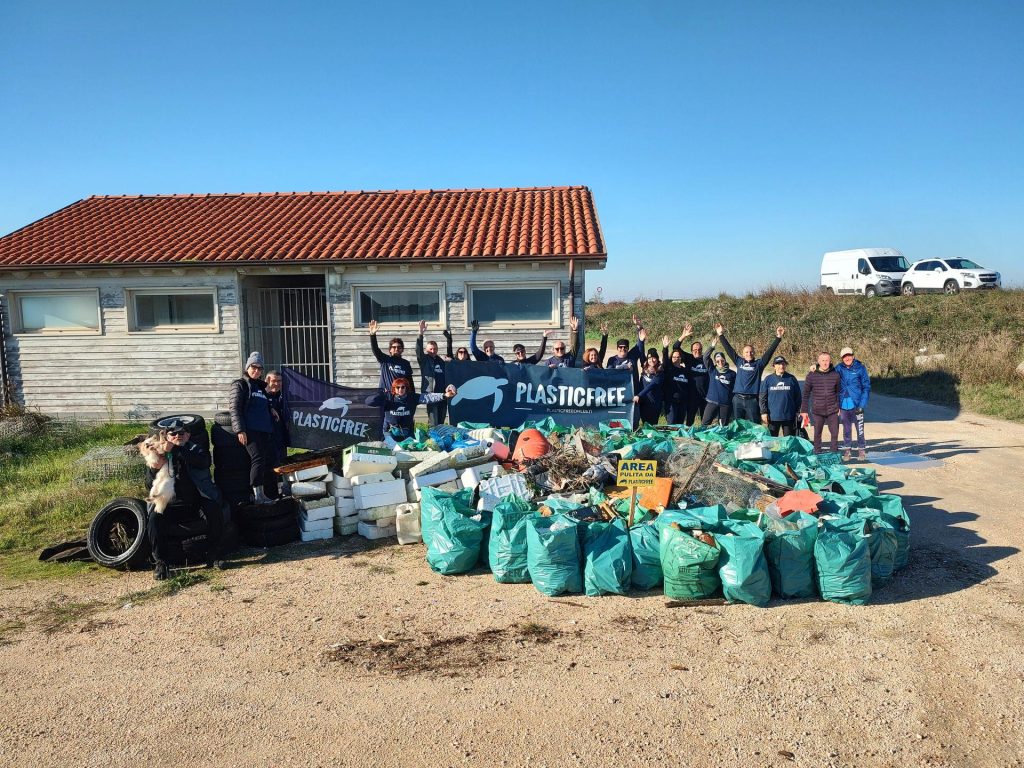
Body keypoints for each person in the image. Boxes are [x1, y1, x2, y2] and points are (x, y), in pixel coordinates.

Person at [146, 418, 225, 580]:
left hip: (195, 501)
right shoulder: (158, 454)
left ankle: (214, 555)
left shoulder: (195, 448)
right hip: (168, 503)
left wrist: (176, 449)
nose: (177, 436)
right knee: (154, 519)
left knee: (214, 510)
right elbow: (148, 484)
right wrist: (156, 466)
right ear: (166, 437)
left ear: (188, 435)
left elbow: (203, 462)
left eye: (181, 433)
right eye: (173, 434)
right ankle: (161, 562)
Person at [229, 352, 278, 504]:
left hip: (265, 430)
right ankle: (258, 496)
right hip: (250, 430)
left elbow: (263, 402)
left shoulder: (261, 387)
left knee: (264, 461)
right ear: (247, 367)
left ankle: (263, 494)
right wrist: (240, 430)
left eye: (259, 368)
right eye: (253, 367)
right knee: (257, 459)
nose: (256, 371)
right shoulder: (240, 384)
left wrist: (271, 409)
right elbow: (234, 408)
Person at [715, 323, 785, 424]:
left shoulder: (759, 364)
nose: (749, 354)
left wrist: (778, 337)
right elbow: (728, 349)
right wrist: (720, 334)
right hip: (737, 399)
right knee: (738, 426)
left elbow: (769, 353)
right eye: (746, 352)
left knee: (754, 426)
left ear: (754, 353)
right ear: (743, 354)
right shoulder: (739, 361)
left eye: (751, 352)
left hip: (752, 400)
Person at [365, 378, 457, 440]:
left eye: (403, 387)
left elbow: (428, 397)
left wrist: (444, 395)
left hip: (407, 432)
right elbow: (369, 402)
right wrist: (381, 394)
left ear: (406, 388)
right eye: (397, 387)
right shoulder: (388, 397)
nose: (400, 389)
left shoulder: (412, 397)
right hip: (390, 432)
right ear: (394, 388)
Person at [801, 352, 842, 454]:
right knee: (817, 434)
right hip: (817, 410)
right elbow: (806, 394)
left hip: (833, 410)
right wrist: (804, 410)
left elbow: (839, 392)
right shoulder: (811, 375)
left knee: (835, 433)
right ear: (818, 361)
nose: (825, 363)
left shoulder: (836, 375)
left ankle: (833, 454)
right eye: (822, 360)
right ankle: (817, 453)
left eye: (827, 360)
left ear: (830, 361)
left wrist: (839, 407)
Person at [837, 346, 871, 461]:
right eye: (844, 356)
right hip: (843, 404)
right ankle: (847, 451)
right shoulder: (839, 368)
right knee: (846, 429)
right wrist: (816, 367)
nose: (847, 358)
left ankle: (861, 450)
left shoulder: (860, 368)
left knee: (860, 429)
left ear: (853, 356)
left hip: (857, 404)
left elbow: (866, 387)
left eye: (849, 356)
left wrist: (862, 405)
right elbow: (828, 372)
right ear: (842, 358)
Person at [416, 321, 451, 427]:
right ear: (426, 350)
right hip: (431, 395)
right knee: (433, 422)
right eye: (430, 349)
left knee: (441, 422)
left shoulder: (441, 361)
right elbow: (418, 350)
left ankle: (440, 436)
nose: (433, 351)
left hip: (443, 394)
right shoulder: (424, 360)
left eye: (435, 349)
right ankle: (432, 437)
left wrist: (450, 361)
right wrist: (420, 333)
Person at [758, 356, 802, 436]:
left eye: (783, 364)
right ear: (774, 366)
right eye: (778, 364)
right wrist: (763, 412)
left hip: (789, 416)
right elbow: (762, 398)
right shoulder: (768, 379)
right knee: (772, 440)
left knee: (789, 440)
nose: (781, 366)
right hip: (773, 416)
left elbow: (798, 397)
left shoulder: (791, 378)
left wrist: (798, 411)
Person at [678, 324, 711, 422]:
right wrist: (683, 336)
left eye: (700, 349)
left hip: (705, 395)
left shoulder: (706, 359)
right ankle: (689, 431)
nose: (697, 351)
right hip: (691, 395)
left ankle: (703, 432)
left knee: (705, 421)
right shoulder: (688, 358)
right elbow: (676, 347)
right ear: (691, 351)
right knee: (690, 420)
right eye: (695, 350)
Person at [605, 314, 646, 391]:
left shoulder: (632, 356)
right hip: (618, 391)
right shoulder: (612, 360)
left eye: (625, 347)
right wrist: (624, 367)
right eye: (620, 347)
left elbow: (640, 342)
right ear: (617, 348)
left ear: (628, 348)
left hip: (633, 391)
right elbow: (610, 373)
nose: (623, 349)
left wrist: (639, 327)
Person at [660, 335, 694, 426]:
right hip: (671, 402)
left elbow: (689, 386)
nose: (676, 358)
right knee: (671, 423)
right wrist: (665, 347)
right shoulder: (669, 368)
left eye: (678, 357)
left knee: (680, 424)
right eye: (674, 357)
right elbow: (665, 359)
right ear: (671, 358)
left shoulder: (685, 371)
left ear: (681, 358)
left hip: (683, 402)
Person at [263, 370, 289, 477]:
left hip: (281, 436)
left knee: (282, 462)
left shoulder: (285, 397)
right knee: (269, 465)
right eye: (274, 381)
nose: (277, 384)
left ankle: (282, 484)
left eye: (279, 381)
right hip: (267, 436)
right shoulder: (262, 397)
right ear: (267, 381)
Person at [702, 348, 736, 426]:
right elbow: (705, 357)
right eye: (717, 361)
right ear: (715, 362)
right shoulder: (712, 370)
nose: (720, 362)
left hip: (725, 403)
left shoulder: (732, 374)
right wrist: (712, 347)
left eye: (722, 360)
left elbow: (734, 389)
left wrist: (729, 399)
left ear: (725, 360)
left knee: (723, 426)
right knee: (705, 423)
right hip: (712, 401)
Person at [634, 351, 664, 426]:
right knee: (645, 424)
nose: (652, 360)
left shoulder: (660, 371)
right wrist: (641, 342)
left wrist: (639, 395)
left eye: (654, 358)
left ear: (657, 359)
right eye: (650, 358)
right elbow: (641, 351)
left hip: (654, 404)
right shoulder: (645, 367)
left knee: (652, 426)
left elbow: (651, 385)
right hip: (643, 403)